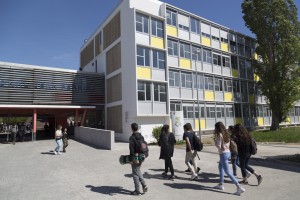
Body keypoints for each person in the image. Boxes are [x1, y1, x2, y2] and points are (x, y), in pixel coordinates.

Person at [213, 122, 245, 195]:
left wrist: (215, 141)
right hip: (228, 153)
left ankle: (239, 187)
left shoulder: (219, 135)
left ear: (217, 128)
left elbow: (219, 146)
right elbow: (227, 144)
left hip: (223, 154)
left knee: (227, 171)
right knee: (220, 167)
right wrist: (223, 147)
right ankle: (221, 184)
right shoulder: (226, 134)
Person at [129, 123, 148, 195]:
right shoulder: (141, 136)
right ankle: (144, 185)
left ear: (132, 128)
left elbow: (132, 150)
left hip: (135, 156)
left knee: (135, 174)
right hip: (142, 156)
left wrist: (132, 159)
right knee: (138, 170)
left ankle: (137, 191)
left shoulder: (132, 137)